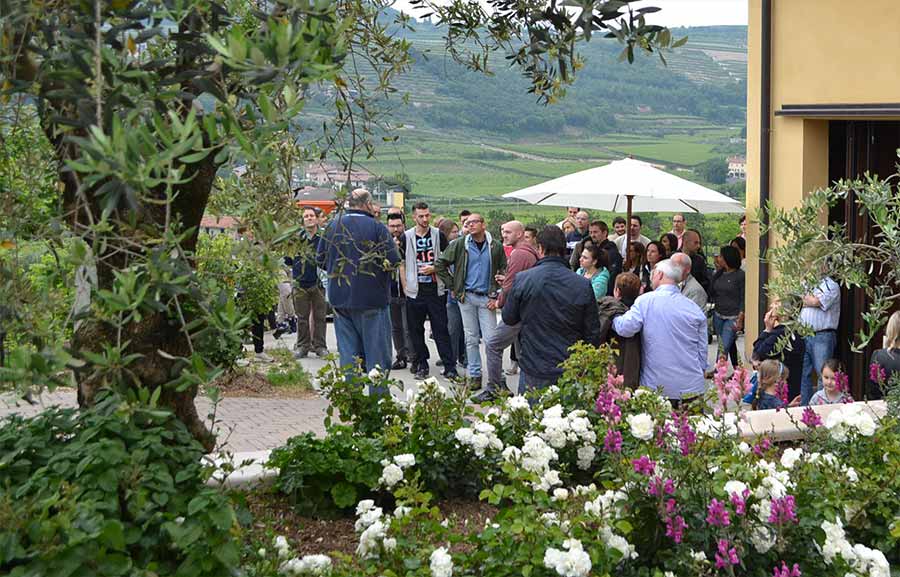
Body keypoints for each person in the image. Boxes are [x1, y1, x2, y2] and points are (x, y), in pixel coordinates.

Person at [501, 226, 600, 392]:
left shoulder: (524, 279)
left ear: (540, 248)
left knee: (531, 416)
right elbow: (592, 331)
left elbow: (509, 317)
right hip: (570, 366)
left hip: (534, 363)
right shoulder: (582, 284)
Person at [316, 189, 400, 381]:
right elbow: (393, 260)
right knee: (377, 359)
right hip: (372, 300)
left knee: (349, 358)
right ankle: (377, 403)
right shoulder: (377, 228)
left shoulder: (333, 226)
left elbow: (320, 259)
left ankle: (352, 402)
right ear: (367, 204)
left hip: (340, 300)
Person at [613, 259, 707, 405]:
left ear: (660, 275)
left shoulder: (645, 301)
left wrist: (613, 316)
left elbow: (625, 328)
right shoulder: (693, 308)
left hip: (657, 386)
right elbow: (702, 352)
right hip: (691, 385)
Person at [435, 213, 507, 387]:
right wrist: (453, 286)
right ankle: (475, 376)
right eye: (467, 223)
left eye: (474, 222)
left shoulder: (495, 246)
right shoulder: (460, 244)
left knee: (491, 340)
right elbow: (440, 264)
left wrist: (498, 290)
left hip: (486, 298)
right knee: (471, 338)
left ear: (483, 224)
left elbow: (504, 268)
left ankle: (497, 378)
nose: (470, 225)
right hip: (466, 297)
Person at [480, 220, 540, 401]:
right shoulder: (530, 252)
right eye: (502, 231)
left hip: (517, 311)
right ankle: (520, 391)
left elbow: (511, 285)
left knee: (492, 345)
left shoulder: (519, 254)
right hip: (528, 310)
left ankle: (494, 388)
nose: (504, 235)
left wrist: (499, 302)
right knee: (524, 353)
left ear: (520, 234)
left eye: (508, 232)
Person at [401, 202, 457, 380]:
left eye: (427, 215)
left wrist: (434, 268)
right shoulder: (406, 236)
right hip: (414, 289)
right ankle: (422, 364)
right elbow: (401, 263)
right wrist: (405, 286)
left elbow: (447, 259)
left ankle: (450, 366)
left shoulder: (438, 235)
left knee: (441, 329)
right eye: (421, 216)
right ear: (414, 217)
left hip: (435, 289)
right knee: (416, 330)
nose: (425, 219)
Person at [798, 274, 841, 405]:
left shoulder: (831, 285)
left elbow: (815, 302)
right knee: (804, 375)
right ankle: (804, 410)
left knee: (824, 376)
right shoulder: (807, 283)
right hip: (805, 335)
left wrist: (806, 299)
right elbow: (802, 299)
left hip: (822, 336)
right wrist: (806, 298)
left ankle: (822, 410)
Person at [293, 206, 328, 358]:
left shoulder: (323, 238)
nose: (309, 218)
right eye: (306, 216)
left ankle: (320, 346)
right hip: (300, 284)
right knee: (302, 318)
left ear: (316, 218)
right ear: (302, 220)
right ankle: (302, 346)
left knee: (320, 317)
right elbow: (288, 259)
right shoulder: (296, 238)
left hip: (318, 283)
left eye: (311, 215)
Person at [597, 272, 642, 388]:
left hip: (607, 363)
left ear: (616, 291)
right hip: (631, 367)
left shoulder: (605, 309)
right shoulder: (639, 315)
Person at [752, 301, 804, 401]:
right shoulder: (792, 331)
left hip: (781, 387)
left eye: (775, 305)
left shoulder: (781, 332)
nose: (771, 307)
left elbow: (758, 353)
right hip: (792, 383)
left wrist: (767, 329)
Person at [438, 219, 467, 373]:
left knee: (466, 330)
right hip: (452, 295)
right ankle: (452, 359)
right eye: (453, 232)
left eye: (457, 231)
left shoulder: (462, 247)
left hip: (461, 293)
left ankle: (464, 358)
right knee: (453, 329)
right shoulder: (447, 250)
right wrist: (451, 285)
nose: (457, 234)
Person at [387, 212, 415, 370]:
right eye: (392, 226)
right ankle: (401, 356)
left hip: (408, 291)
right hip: (390, 291)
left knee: (408, 327)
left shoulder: (410, 241)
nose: (395, 229)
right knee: (395, 327)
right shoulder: (383, 243)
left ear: (404, 225)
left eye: (398, 225)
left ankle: (413, 356)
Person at [709, 245, 745, 368]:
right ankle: (737, 370)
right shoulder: (719, 274)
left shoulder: (740, 275)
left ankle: (718, 372)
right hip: (718, 314)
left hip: (733, 316)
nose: (718, 258)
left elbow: (743, 297)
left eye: (721, 256)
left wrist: (741, 318)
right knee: (726, 343)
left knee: (723, 346)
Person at [681, 229, 710, 293]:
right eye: (696, 243)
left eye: (699, 243)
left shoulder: (700, 260)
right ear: (685, 242)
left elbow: (705, 281)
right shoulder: (672, 258)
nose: (698, 246)